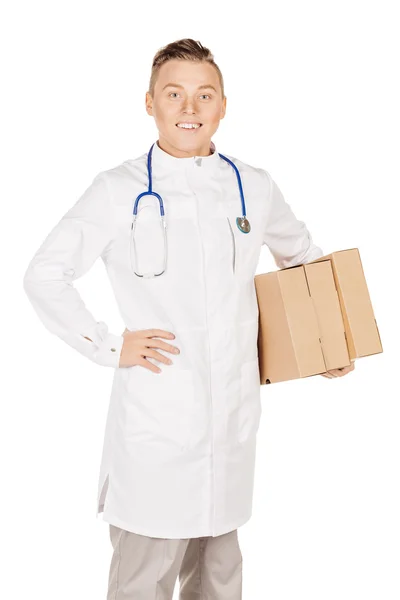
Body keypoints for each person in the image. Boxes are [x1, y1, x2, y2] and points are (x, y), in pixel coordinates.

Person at [23, 38, 355, 600]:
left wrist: (327, 343)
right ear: (149, 103)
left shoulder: (254, 184)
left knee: (220, 575)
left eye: (205, 95)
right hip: (156, 421)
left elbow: (302, 258)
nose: (189, 108)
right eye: (174, 94)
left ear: (224, 106)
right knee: (142, 578)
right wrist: (108, 345)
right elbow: (44, 275)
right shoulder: (117, 189)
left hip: (230, 419)